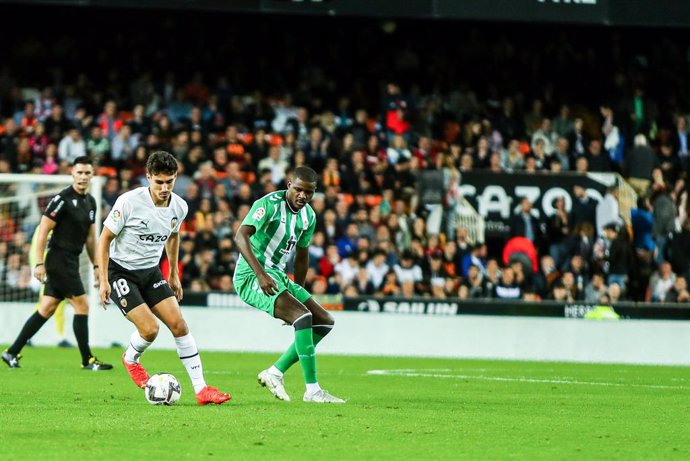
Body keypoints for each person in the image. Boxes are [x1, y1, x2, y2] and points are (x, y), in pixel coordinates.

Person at [96, 151, 230, 405]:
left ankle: (201, 390)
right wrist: (104, 280)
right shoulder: (128, 202)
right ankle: (131, 358)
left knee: (179, 325)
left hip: (150, 272)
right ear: (148, 177)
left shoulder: (180, 206)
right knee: (150, 329)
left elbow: (173, 236)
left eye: (170, 181)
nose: (165, 187)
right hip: (120, 271)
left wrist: (173, 273)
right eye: (159, 182)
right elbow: (104, 239)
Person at [234, 166, 345, 403]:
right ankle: (312, 390)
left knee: (325, 321)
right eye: (298, 190)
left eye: (309, 192)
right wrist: (261, 274)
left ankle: (274, 373)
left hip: (280, 275)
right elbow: (240, 236)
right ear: (289, 185)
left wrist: (299, 292)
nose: (303, 196)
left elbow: (302, 256)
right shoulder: (269, 204)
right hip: (251, 276)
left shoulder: (309, 217)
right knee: (303, 318)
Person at [3, 157, 112, 370]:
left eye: (87, 173)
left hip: (71, 259)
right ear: (72, 173)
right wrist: (38, 263)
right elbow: (43, 230)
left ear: (92, 175)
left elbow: (91, 238)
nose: (83, 177)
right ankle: (87, 360)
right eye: (79, 172)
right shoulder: (61, 199)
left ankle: (11, 352)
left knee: (47, 308)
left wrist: (97, 266)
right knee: (82, 305)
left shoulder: (90, 202)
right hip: (58, 260)